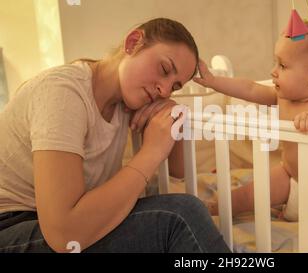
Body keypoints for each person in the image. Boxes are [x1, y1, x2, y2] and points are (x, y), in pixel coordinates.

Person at [0, 18, 230, 253]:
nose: (164, 89)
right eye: (164, 69)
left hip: (56, 225)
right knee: (180, 216)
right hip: (12, 226)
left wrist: (173, 111)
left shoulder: (127, 102)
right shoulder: (62, 93)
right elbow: (65, 235)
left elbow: (178, 171)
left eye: (174, 86)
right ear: (133, 43)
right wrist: (152, 151)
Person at [194, 19, 308, 220]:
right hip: (291, 177)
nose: (273, 71)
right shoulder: (281, 97)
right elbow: (249, 88)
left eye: (283, 65)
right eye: (276, 62)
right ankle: (217, 208)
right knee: (251, 193)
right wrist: (214, 82)